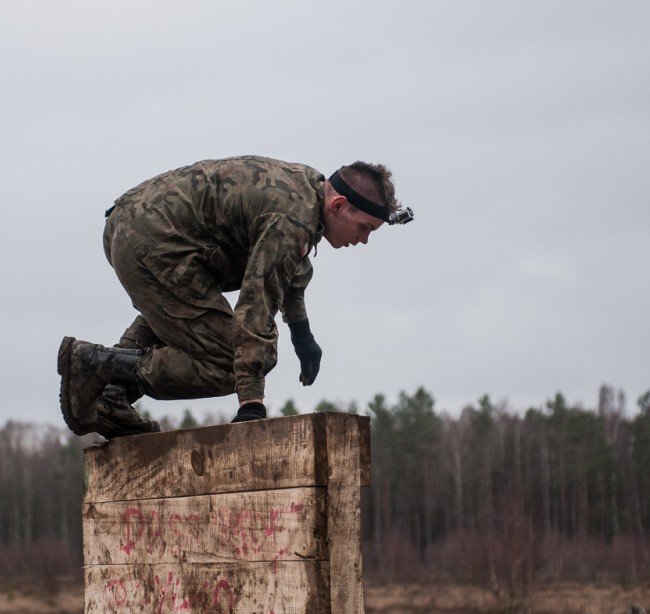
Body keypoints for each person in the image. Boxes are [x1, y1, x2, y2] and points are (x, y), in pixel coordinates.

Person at [57, 155, 412, 437]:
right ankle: (94, 363)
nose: (363, 240)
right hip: (155, 241)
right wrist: (251, 403)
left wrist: (302, 333)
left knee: (188, 315)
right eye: (365, 228)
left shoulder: (307, 189)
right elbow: (256, 307)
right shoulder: (292, 219)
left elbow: (291, 268)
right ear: (338, 206)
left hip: (138, 228)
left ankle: (112, 399)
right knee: (225, 363)